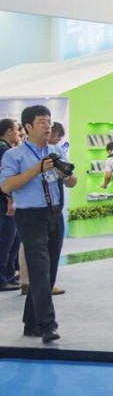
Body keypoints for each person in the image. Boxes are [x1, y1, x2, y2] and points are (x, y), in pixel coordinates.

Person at [0, 105, 77, 343]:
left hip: (54, 215)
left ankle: (31, 323)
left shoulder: (56, 150)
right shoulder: (14, 155)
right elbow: (6, 186)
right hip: (30, 217)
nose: (48, 126)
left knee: (49, 271)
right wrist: (37, 169)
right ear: (28, 127)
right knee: (40, 270)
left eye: (49, 122)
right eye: (42, 122)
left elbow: (72, 181)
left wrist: (66, 174)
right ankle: (47, 325)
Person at [0, 119, 22, 292]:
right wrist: (10, 199)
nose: (18, 133)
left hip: (6, 200)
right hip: (5, 202)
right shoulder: (4, 151)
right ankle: (3, 278)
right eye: (16, 130)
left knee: (12, 240)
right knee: (6, 240)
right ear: (8, 131)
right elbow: (6, 178)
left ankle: (8, 274)